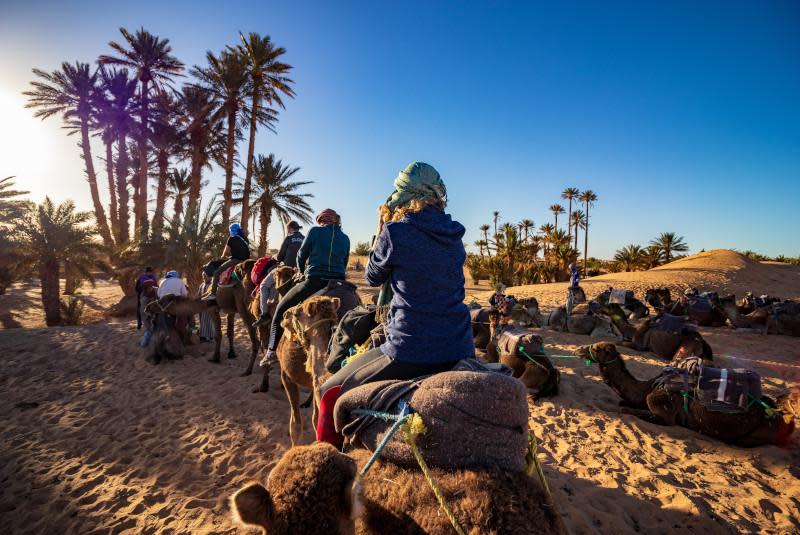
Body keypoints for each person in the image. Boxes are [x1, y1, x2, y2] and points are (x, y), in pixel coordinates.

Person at [316, 162, 473, 444]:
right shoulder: (455, 236)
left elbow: (373, 277)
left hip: (410, 347)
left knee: (328, 394)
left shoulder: (396, 232)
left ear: (404, 196)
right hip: (460, 345)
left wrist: (382, 229)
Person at [261, 209, 350, 363]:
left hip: (315, 281)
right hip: (340, 283)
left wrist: (302, 271)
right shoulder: (345, 238)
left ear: (321, 220)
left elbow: (301, 255)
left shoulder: (315, 231)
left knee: (281, 309)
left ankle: (271, 352)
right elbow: (344, 262)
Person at [204, 223, 250, 300]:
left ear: (231, 231)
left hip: (236, 260)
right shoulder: (245, 239)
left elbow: (225, 253)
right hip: (246, 260)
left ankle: (213, 294)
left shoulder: (231, 239)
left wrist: (223, 257)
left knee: (216, 272)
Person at [252, 256, 280, 327]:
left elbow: (279, 255)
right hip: (300, 268)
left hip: (284, 265)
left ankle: (264, 314)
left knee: (263, 285)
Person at [197, 271, 215, 341]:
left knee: (209, 321)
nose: (204, 277)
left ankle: (210, 336)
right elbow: (198, 294)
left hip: (209, 305)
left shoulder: (212, 285)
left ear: (209, 276)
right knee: (203, 321)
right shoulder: (202, 285)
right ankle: (203, 336)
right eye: (203, 276)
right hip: (202, 305)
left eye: (205, 276)